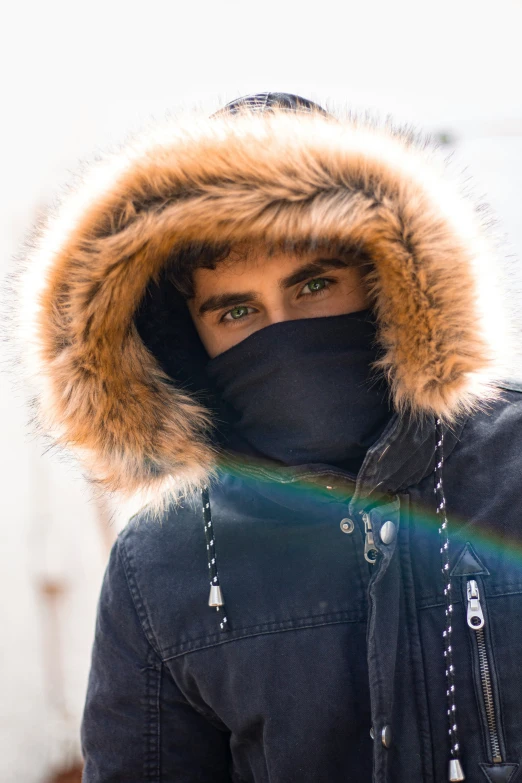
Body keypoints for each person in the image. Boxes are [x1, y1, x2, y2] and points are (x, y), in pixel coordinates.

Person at [12, 92, 522, 782]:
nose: (280, 334)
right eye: (238, 310)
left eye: (313, 284)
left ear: (385, 279)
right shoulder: (165, 560)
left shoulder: (511, 465)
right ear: (187, 336)